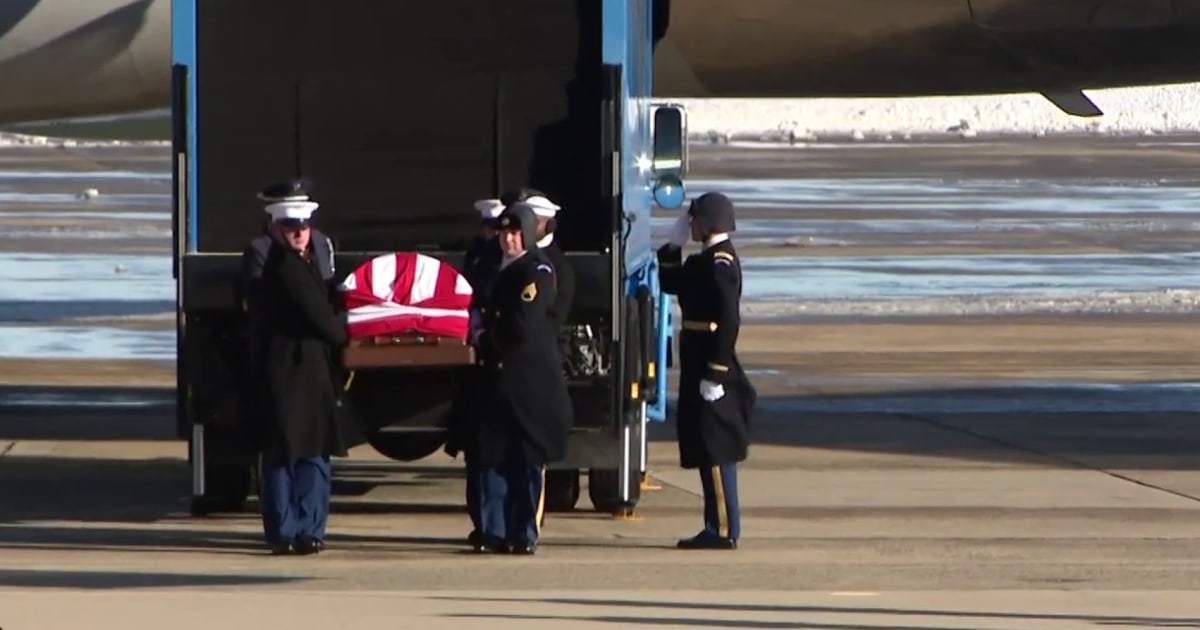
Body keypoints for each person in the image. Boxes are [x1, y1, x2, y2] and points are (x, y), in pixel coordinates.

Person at [252, 180, 350, 556]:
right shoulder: (287, 268)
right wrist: (345, 334)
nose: (298, 234)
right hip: (292, 369)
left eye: (303, 228)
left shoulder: (303, 261)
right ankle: (292, 530)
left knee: (305, 451)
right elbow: (320, 318)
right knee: (292, 452)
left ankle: (303, 529)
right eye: (291, 228)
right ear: (276, 230)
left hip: (304, 368)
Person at [656, 191, 757, 550]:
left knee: (715, 448)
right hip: (698, 355)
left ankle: (723, 529)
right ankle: (715, 524)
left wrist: (716, 371)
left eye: (693, 220)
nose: (690, 225)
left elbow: (729, 320)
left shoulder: (721, 263)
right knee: (704, 444)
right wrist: (671, 248)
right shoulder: (706, 260)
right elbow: (671, 284)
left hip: (712, 360)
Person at [471, 202, 573, 555]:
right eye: (504, 232)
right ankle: (493, 530)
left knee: (524, 460)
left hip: (527, 379)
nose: (509, 240)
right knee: (493, 457)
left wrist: (484, 336)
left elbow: (523, 324)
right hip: (496, 380)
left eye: (516, 234)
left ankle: (522, 531)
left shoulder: (537, 271)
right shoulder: (491, 267)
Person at [446, 197, 505, 547]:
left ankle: (496, 525)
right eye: (488, 228)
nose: (491, 233)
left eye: (496, 228)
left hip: (498, 362)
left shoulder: (509, 264)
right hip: (479, 365)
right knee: (479, 452)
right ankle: (485, 522)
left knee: (496, 452)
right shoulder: (478, 257)